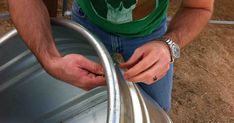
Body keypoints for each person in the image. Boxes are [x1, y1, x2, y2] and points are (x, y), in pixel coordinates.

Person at [7, 0, 214, 112]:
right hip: (88, 24)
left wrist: (168, 45)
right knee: (82, 105)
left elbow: (199, 7)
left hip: (150, 34)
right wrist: (50, 56)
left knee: (155, 111)